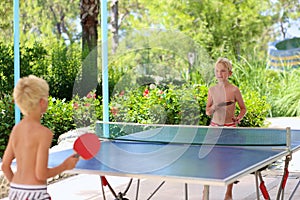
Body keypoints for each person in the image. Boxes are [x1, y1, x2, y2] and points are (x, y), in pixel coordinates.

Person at [1, 75, 79, 200]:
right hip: (35, 193)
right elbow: (41, 174)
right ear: (42, 102)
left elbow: (5, 166)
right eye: (47, 97)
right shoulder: (44, 133)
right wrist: (65, 166)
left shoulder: (17, 129)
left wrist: (18, 187)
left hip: (15, 193)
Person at [205, 57, 247, 200]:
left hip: (230, 129)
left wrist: (238, 118)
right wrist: (214, 108)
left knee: (229, 161)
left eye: (223, 71)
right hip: (214, 129)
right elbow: (207, 111)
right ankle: (205, 191)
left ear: (230, 73)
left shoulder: (234, 90)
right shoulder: (212, 90)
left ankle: (228, 193)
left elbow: (243, 109)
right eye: (217, 71)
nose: (219, 74)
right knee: (210, 160)